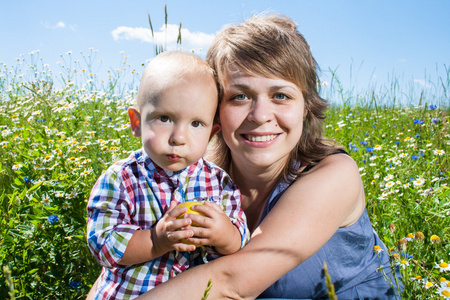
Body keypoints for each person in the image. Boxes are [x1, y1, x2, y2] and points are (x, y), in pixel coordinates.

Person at [131, 13, 403, 299]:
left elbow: (231, 283)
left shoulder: (334, 174)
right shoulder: (196, 171)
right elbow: (129, 252)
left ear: (306, 106)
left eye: (281, 96)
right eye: (240, 96)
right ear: (213, 108)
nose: (260, 116)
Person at [86, 51, 250, 299]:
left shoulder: (219, 182)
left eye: (196, 124)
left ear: (212, 133)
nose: (178, 138)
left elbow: (239, 241)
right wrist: (156, 239)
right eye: (164, 118)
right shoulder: (121, 179)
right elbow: (104, 246)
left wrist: (225, 235)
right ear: (137, 123)